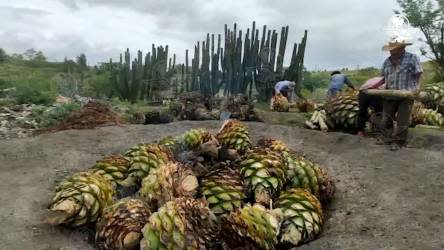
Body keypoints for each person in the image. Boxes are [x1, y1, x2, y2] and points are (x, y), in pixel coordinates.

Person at [380, 40, 423, 151]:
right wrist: (381, 87)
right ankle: (387, 138)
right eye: (390, 49)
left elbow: (419, 74)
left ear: (402, 48)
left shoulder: (412, 58)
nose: (391, 51)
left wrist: (418, 87)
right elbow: (382, 78)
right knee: (386, 117)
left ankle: (398, 142)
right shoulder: (386, 62)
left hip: (406, 94)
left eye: (393, 49)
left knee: (402, 119)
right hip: (389, 94)